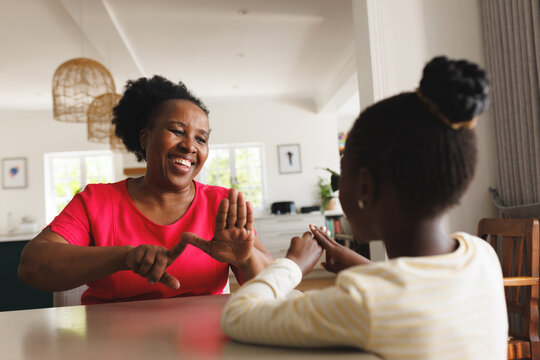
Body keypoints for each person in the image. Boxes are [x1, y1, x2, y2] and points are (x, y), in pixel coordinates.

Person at [214, 57, 508, 359]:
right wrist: (360, 265)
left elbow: (237, 314)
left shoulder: (366, 302)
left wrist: (293, 264)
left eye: (344, 173)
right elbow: (421, 292)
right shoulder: (481, 254)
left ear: (365, 186)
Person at [18, 75, 273, 304]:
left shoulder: (221, 204)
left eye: (201, 139)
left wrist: (246, 258)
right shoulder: (97, 201)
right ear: (145, 138)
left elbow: (275, 285)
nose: (189, 146)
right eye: (177, 131)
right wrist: (124, 257)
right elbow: (32, 266)